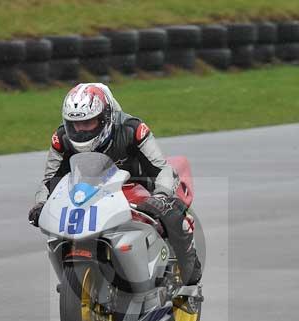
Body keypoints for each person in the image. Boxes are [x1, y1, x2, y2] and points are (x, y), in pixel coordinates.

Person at [28, 83, 202, 285]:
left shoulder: (132, 129)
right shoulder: (61, 139)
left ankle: (190, 273)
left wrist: (160, 197)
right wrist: (41, 204)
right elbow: (50, 180)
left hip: (140, 187)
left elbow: (162, 169)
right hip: (92, 191)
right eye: (76, 125)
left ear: (105, 118)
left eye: (89, 123)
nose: (82, 130)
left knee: (173, 213)